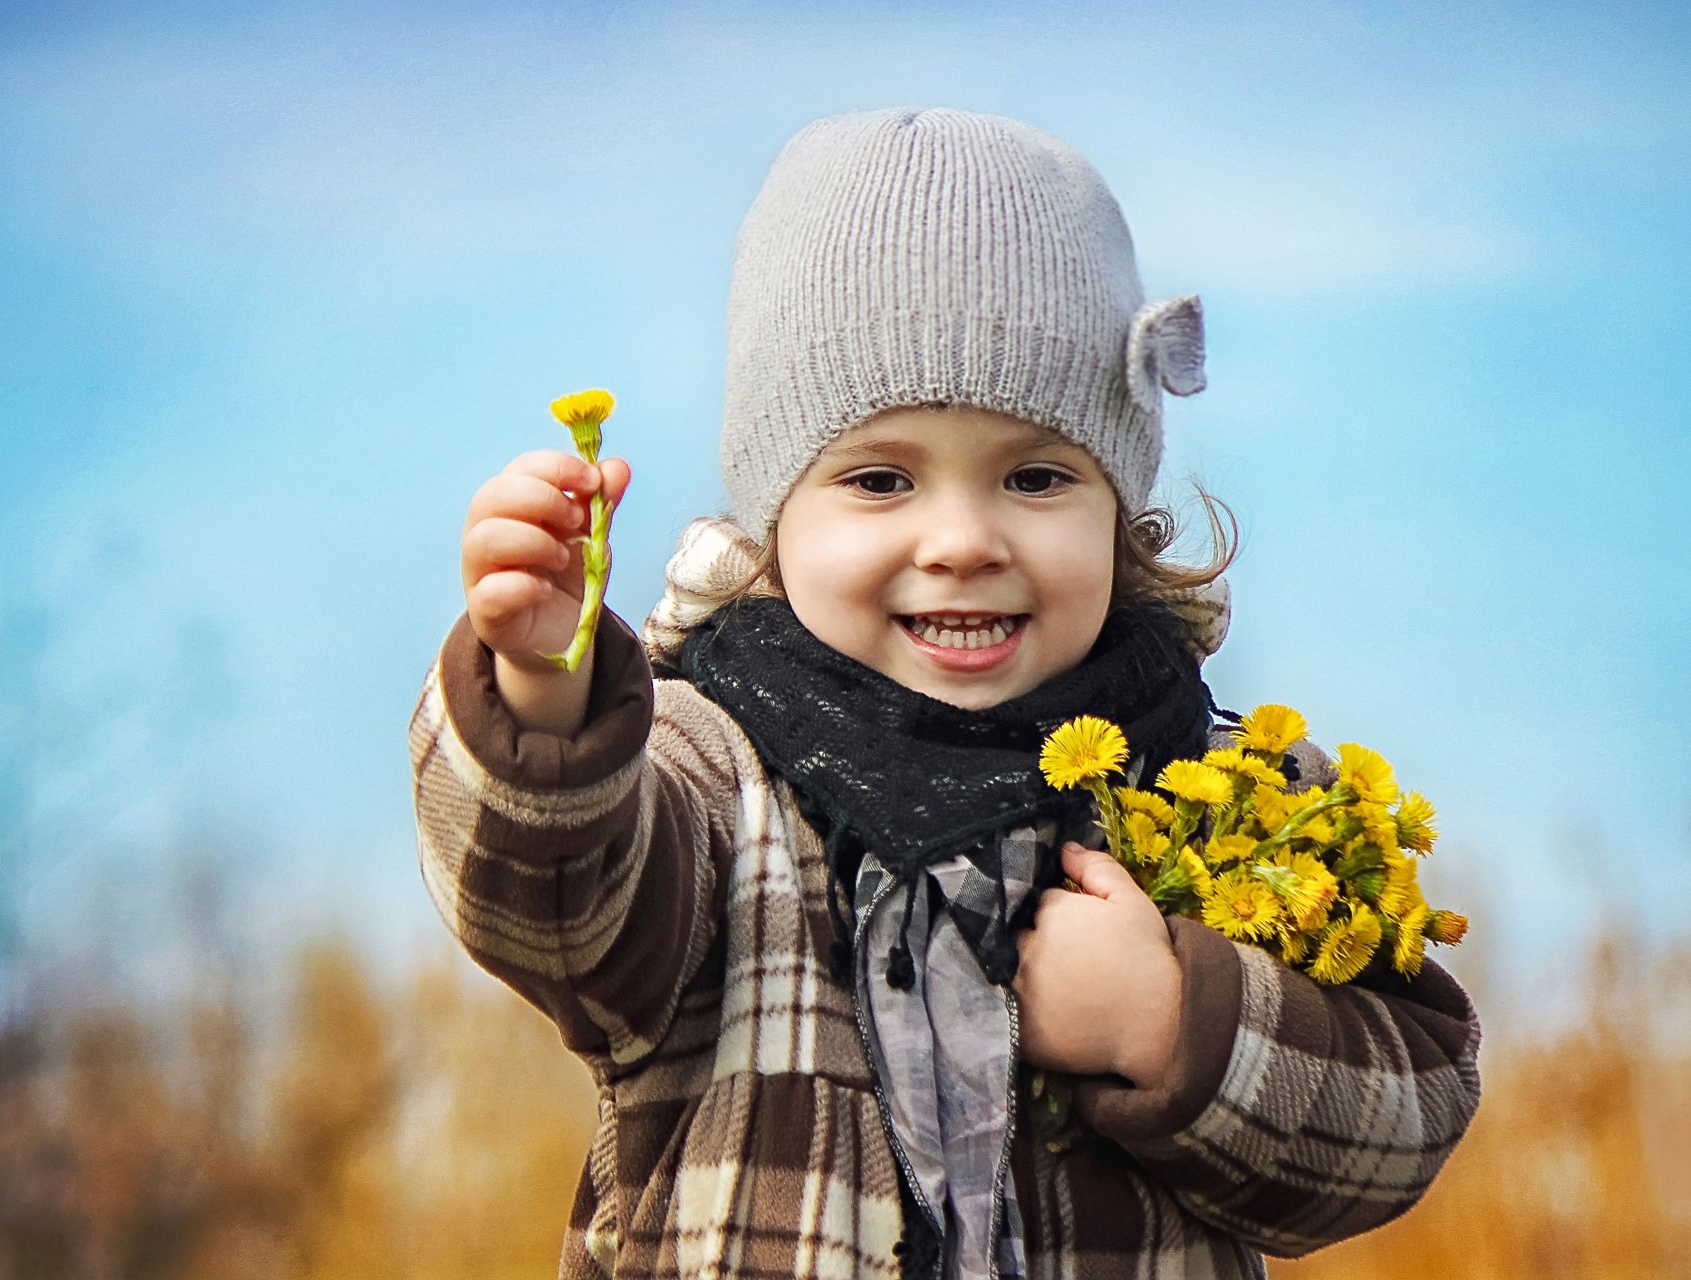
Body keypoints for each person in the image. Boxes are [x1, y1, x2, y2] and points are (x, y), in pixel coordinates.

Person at [412, 107, 1480, 1280]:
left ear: (1118, 509)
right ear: (776, 520)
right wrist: (545, 698)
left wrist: (1171, 1024)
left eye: (1035, 475)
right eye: (879, 479)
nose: (962, 539)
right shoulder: (709, 769)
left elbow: (1405, 1110)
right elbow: (556, 912)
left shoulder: (1219, 789)